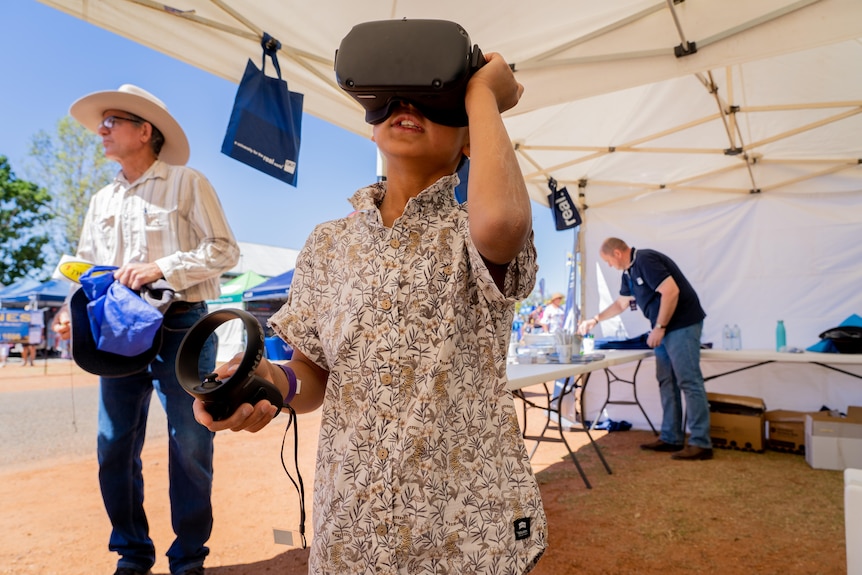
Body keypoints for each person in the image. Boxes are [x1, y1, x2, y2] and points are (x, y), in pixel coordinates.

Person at [195, 52, 547, 574]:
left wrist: (481, 95)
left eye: (433, 100)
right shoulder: (328, 243)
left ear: (468, 138)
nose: (406, 105)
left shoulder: (472, 230)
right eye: (388, 100)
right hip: (355, 525)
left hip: (467, 526)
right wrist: (266, 380)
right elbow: (313, 375)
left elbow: (502, 225)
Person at [57, 84, 240, 575]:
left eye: (112, 121)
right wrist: (68, 304)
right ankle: (132, 555)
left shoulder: (187, 181)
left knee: (191, 443)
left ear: (145, 131)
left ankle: (188, 560)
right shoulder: (101, 199)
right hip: (116, 326)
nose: (101, 129)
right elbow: (89, 267)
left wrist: (160, 267)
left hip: (182, 324)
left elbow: (225, 250)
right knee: (113, 443)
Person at [577, 237, 712, 461]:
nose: (609, 266)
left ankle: (701, 443)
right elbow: (621, 304)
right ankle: (671, 437)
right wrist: (595, 320)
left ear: (617, 253)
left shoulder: (645, 259)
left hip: (682, 324)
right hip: (663, 329)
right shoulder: (628, 273)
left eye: (608, 261)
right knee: (666, 381)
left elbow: (671, 291)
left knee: (689, 381)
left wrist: (659, 327)